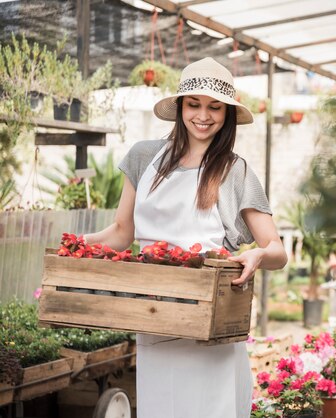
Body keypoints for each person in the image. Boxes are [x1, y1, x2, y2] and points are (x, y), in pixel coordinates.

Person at [84, 57, 287, 418]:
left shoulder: (233, 170)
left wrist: (256, 255)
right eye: (194, 104)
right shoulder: (144, 157)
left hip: (209, 320)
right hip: (156, 315)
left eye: (215, 107)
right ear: (180, 107)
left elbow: (277, 250)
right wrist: (80, 245)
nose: (203, 116)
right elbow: (121, 232)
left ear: (227, 114)